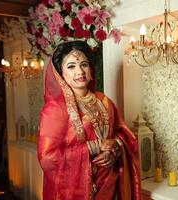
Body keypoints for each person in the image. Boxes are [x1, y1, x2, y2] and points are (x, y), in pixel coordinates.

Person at [37, 41, 141, 200]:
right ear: (60, 74)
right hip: (76, 192)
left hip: (111, 183)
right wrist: (95, 146)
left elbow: (123, 135)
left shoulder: (104, 101)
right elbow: (48, 159)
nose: (80, 71)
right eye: (71, 66)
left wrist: (113, 149)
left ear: (90, 69)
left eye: (84, 64)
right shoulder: (55, 108)